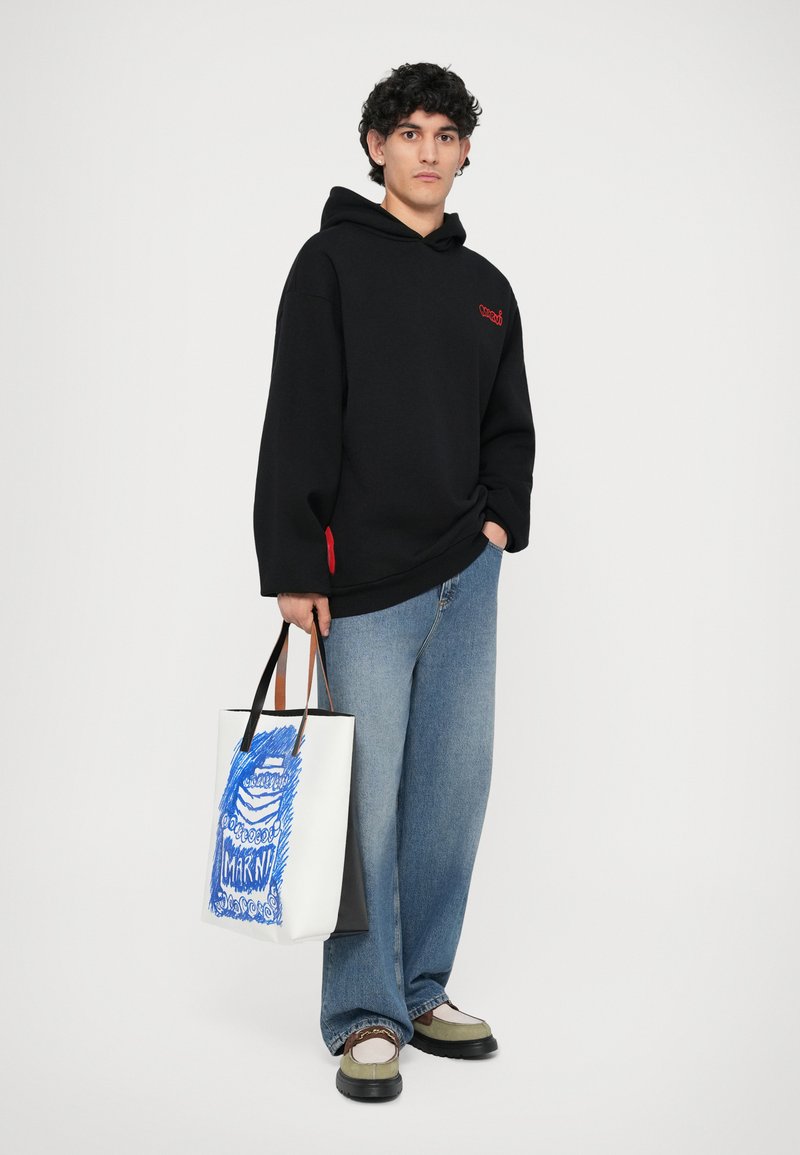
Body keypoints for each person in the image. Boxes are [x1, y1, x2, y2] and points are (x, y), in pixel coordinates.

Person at [253, 61, 535, 1101]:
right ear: (375, 146)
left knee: (451, 795)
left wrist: (498, 524)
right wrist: (293, 562)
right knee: (362, 807)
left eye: (445, 135)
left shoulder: (486, 288)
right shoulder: (330, 262)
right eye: (408, 132)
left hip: (467, 574)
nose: (427, 151)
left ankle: (421, 988)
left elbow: (509, 424)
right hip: (363, 583)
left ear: (465, 153)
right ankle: (363, 1012)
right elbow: (298, 411)